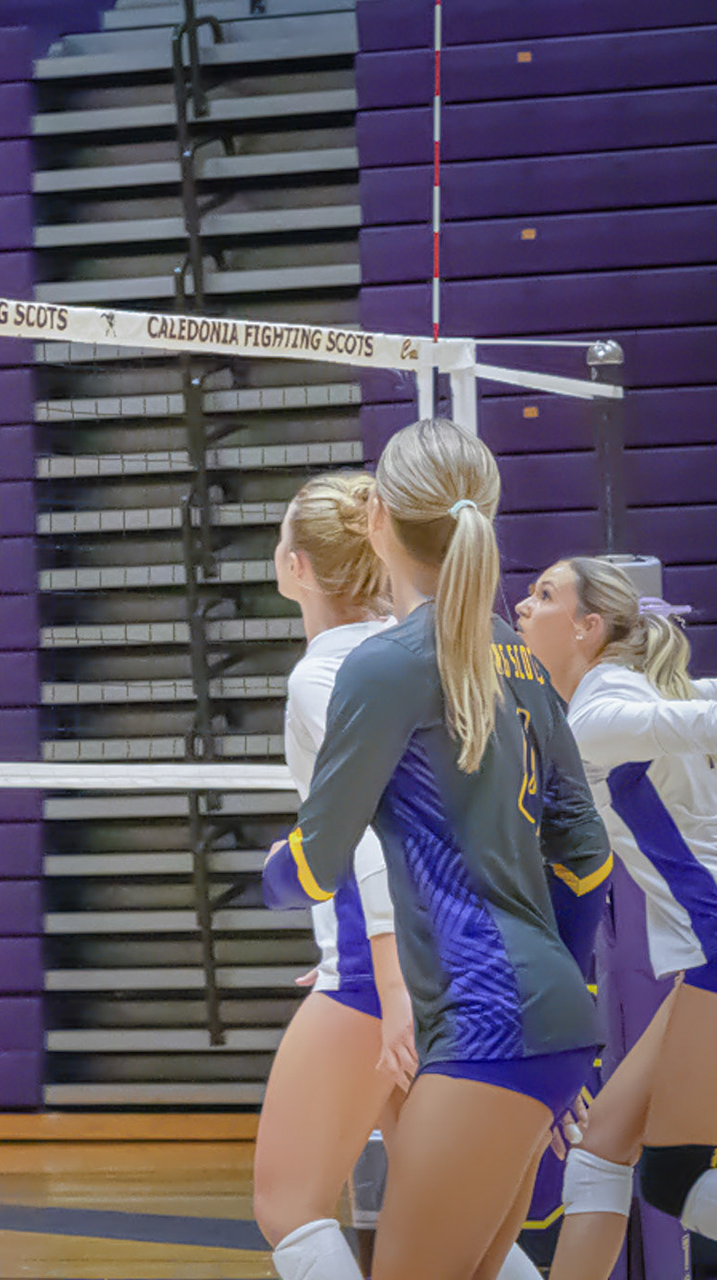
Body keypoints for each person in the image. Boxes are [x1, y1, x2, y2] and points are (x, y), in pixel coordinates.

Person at [259, 419, 613, 1280]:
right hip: (543, 1013)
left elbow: (316, 862)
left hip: (488, 1017)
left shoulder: (383, 667)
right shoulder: (514, 656)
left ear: (379, 514)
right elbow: (589, 859)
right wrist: (560, 999)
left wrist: (268, 872)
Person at [515, 557, 717, 1271]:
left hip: (715, 941)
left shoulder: (598, 712)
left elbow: (694, 717)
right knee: (602, 1146)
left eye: (544, 595)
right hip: (706, 948)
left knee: (677, 1175)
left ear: (587, 627)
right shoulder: (612, 697)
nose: (521, 605)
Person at [251, 474, 417, 1266]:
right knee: (448, 1226)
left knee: (289, 1206)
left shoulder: (322, 676)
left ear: (297, 567)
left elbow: (376, 841)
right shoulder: (412, 652)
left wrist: (385, 987)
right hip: (450, 956)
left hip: (380, 974)